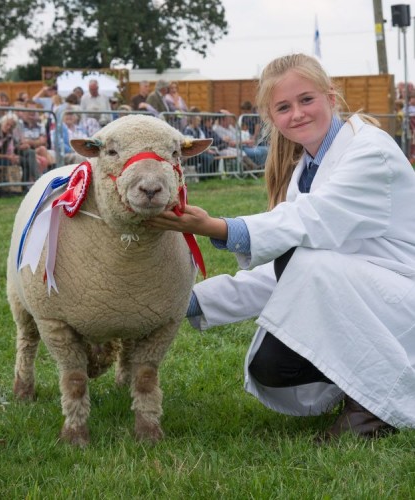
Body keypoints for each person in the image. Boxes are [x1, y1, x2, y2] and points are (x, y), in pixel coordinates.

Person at [148, 53, 415, 440]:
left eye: (307, 99)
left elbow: (309, 222)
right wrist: (183, 300)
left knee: (303, 260)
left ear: (331, 97)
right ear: (272, 119)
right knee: (270, 368)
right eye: (284, 107)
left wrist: (217, 227)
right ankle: (360, 382)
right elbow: (285, 273)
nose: (298, 114)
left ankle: (373, 408)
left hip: (400, 298)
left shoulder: (370, 152)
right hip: (366, 294)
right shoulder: (305, 172)